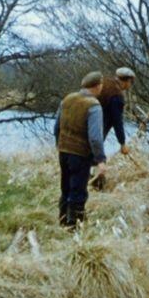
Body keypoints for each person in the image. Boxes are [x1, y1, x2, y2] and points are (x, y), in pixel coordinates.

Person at [54, 71, 107, 227]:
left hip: (64, 152)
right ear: (97, 86)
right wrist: (100, 160)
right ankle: (74, 226)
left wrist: (60, 145)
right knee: (78, 191)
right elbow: (95, 137)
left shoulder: (67, 100)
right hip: (80, 154)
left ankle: (63, 221)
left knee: (65, 188)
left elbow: (57, 127)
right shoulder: (94, 106)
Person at [96, 67, 136, 154]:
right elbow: (117, 121)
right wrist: (122, 143)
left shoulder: (104, 82)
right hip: (96, 131)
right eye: (131, 82)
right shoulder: (116, 95)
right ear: (128, 81)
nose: (130, 85)